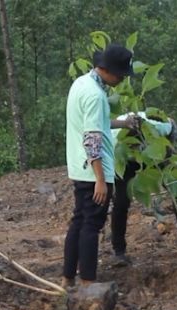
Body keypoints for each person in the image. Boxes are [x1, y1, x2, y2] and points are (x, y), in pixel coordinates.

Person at [62, 44, 137, 288]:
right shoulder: (95, 95)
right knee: (92, 226)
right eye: (122, 75)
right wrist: (101, 180)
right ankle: (88, 282)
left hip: (79, 167)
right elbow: (92, 138)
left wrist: (122, 123)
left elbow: (97, 124)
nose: (122, 79)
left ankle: (68, 277)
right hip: (93, 171)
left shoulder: (81, 84)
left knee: (79, 221)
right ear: (111, 71)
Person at [110, 112, 177, 265]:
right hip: (125, 161)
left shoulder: (160, 127)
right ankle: (118, 251)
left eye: (136, 143)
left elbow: (170, 137)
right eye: (132, 144)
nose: (135, 146)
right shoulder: (114, 139)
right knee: (121, 202)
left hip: (154, 153)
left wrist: (167, 154)